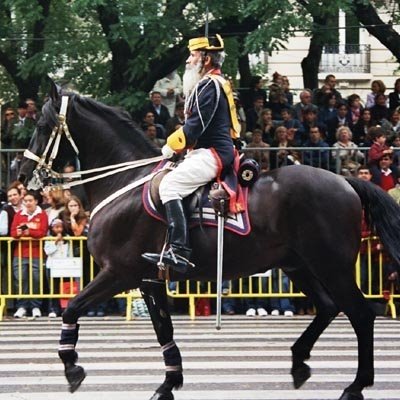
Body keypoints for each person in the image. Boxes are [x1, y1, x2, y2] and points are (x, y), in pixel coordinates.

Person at [142, 34, 239, 273]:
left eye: (192, 55)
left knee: (169, 186)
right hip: (203, 150)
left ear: (206, 59)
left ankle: (179, 250)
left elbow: (195, 127)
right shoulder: (209, 83)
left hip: (212, 152)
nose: (187, 60)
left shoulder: (209, 85)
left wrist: (171, 145)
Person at [11, 190, 48, 318]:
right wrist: (20, 233)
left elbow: (42, 232)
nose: (28, 203)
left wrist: (29, 232)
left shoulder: (42, 214)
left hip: (36, 253)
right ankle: (21, 305)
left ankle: (36, 305)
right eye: (26, 201)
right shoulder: (19, 215)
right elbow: (13, 233)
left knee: (36, 280)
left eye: (30, 201)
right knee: (20, 279)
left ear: (36, 201)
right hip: (20, 253)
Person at [44, 218, 71, 317]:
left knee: (65, 288)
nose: (59, 229)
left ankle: (65, 309)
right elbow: (48, 251)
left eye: (60, 227)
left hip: (64, 265)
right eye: (56, 227)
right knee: (53, 288)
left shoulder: (67, 237)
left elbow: (69, 252)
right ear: (52, 228)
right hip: (52, 265)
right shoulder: (48, 238)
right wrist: (55, 242)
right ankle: (53, 309)